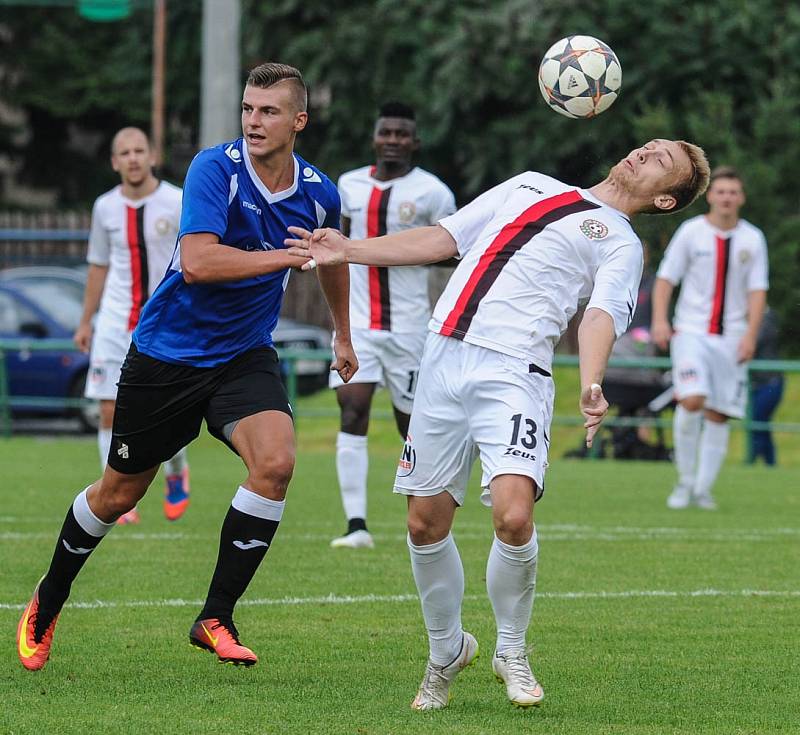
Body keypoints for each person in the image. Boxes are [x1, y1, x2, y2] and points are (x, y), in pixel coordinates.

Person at [287, 139, 710, 709]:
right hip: (440, 357)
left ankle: (511, 649)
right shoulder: (529, 181)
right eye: (648, 146)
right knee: (422, 523)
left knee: (513, 516)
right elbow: (443, 238)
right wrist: (350, 249)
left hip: (515, 372)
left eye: (661, 161)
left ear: (664, 200)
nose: (643, 153)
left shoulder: (621, 243)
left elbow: (600, 315)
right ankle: (446, 651)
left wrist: (592, 381)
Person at [17, 62, 356, 672]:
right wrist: (284, 255)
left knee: (276, 462)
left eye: (269, 111)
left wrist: (343, 335)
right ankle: (49, 596)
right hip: (167, 356)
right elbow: (198, 262)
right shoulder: (213, 169)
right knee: (119, 494)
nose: (254, 121)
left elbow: (331, 260)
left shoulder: (320, 191)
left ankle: (215, 616)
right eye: (249, 109)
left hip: (244, 355)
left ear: (298, 121)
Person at [330, 102, 456, 549]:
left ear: (415, 143)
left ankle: (424, 518)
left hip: (409, 329)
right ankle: (355, 525)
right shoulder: (348, 186)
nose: (393, 141)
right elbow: (335, 248)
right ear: (375, 138)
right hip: (359, 324)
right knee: (352, 409)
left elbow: (453, 249)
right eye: (387, 132)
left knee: (413, 426)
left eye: (402, 134)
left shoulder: (433, 192)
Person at [74, 127, 190, 524]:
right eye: (124, 152)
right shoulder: (104, 207)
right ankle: (118, 491)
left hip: (164, 323)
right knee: (108, 409)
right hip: (114, 322)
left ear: (153, 156)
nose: (133, 158)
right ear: (114, 161)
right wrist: (86, 321)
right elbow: (98, 265)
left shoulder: (176, 201)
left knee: (165, 414)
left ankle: (176, 474)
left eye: (140, 150)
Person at [652, 166, 768, 510]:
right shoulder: (691, 232)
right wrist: (660, 320)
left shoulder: (753, 239)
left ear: (741, 198)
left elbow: (758, 291)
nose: (727, 198)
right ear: (710, 196)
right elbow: (665, 278)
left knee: (719, 414)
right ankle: (683, 484)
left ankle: (703, 489)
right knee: (691, 400)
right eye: (721, 191)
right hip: (690, 331)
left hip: (731, 337)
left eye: (733, 192)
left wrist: (750, 335)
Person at [748, 307, 783, 465]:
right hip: (760, 383)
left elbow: (753, 342)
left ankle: (752, 459)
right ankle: (770, 464)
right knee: (761, 422)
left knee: (758, 420)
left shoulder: (766, 320)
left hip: (770, 382)